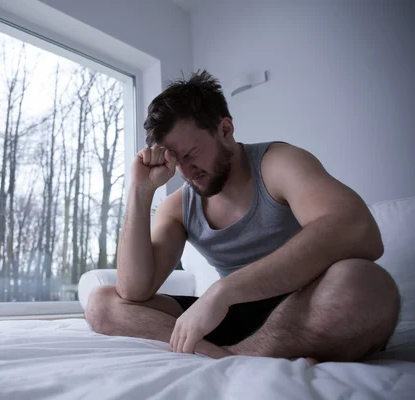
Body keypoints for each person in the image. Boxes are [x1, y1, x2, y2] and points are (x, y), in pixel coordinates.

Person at [84, 70, 401, 363]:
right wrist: (140, 192)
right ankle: (222, 359)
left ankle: (234, 358)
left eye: (192, 153)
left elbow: (360, 231)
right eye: (176, 160)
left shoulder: (278, 163)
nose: (186, 172)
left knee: (367, 283)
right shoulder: (178, 206)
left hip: (303, 306)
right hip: (232, 320)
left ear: (225, 129)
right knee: (102, 302)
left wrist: (224, 292)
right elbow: (133, 291)